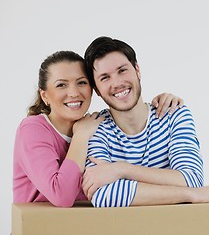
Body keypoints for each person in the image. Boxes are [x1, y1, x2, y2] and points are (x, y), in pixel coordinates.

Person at [12, 50, 184, 207]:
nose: (73, 93)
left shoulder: (100, 127)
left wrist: (163, 103)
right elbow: (62, 196)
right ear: (44, 95)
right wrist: (81, 136)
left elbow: (125, 186)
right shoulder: (34, 129)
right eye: (61, 85)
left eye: (81, 82)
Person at [82, 36, 209, 210]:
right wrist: (194, 195)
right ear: (97, 90)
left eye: (122, 70)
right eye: (105, 77)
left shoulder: (174, 113)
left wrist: (121, 170)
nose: (117, 83)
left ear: (137, 70)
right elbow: (103, 196)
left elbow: (191, 179)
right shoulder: (94, 128)